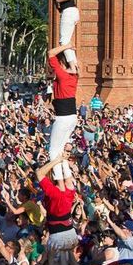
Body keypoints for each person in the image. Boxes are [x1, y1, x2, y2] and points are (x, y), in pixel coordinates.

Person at [46, 43, 78, 187]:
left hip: (63, 117)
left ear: (61, 63)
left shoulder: (63, 75)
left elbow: (50, 53)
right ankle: (68, 179)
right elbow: (75, 66)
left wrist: (67, 46)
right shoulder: (74, 76)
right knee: (61, 150)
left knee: (53, 151)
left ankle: (60, 183)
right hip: (72, 117)